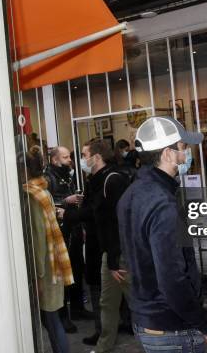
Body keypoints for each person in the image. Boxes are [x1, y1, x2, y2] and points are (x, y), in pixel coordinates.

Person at [117, 116, 207, 353]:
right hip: (172, 328)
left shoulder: (130, 195)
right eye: (183, 148)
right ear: (167, 154)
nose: (186, 155)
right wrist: (205, 324)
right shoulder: (163, 203)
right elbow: (172, 279)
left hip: (146, 320)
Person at [78, 138, 131, 352]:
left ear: (97, 157)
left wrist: (115, 257)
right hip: (108, 253)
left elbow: (118, 222)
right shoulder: (97, 179)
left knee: (138, 300)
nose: (82, 159)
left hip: (120, 254)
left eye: (84, 155)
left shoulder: (113, 180)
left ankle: (160, 341)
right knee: (107, 302)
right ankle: (103, 346)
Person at [24, 146, 74, 353]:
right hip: (53, 264)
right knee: (52, 321)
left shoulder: (31, 195)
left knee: (51, 323)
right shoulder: (42, 190)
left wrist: (38, 276)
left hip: (45, 270)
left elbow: (38, 239)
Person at [44, 146, 92, 332]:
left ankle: (79, 309)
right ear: (55, 160)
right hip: (61, 231)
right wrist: (66, 200)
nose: (70, 159)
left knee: (78, 269)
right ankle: (64, 316)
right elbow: (48, 205)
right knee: (64, 272)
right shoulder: (48, 177)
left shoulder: (68, 174)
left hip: (74, 228)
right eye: (65, 157)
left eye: (69, 156)